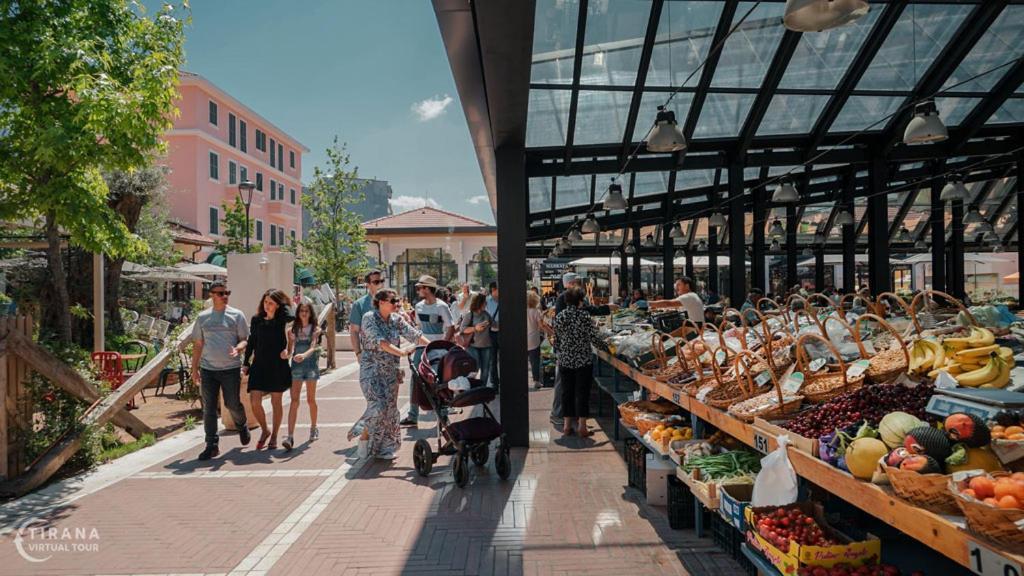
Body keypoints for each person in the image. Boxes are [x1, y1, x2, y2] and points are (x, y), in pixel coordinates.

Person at [348, 289, 428, 460]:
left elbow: (415, 335)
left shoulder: (396, 319)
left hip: (391, 371)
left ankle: (385, 448)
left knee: (390, 410)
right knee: (378, 407)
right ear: (381, 302)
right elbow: (381, 342)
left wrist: (436, 347)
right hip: (372, 370)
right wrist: (401, 352)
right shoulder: (369, 317)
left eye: (397, 300)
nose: (397, 304)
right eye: (393, 301)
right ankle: (363, 433)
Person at [191, 282, 251, 460]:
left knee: (232, 404)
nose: (225, 296)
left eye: (227, 293)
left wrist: (238, 349)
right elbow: (198, 344)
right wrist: (194, 369)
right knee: (209, 408)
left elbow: (244, 339)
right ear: (211, 295)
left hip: (230, 368)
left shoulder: (236, 315)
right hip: (208, 369)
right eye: (220, 293)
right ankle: (212, 445)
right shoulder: (203, 318)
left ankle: (242, 424)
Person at [400, 275, 454, 427]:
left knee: (438, 380)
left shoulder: (442, 306)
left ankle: (442, 414)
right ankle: (412, 415)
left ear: (428, 288)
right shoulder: (418, 306)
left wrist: (445, 344)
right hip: (421, 347)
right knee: (416, 378)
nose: (418, 290)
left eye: (420, 287)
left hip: (437, 349)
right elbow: (419, 328)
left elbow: (451, 326)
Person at [244, 289, 294, 450]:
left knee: (276, 402)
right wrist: (246, 362)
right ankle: (265, 429)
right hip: (259, 365)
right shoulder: (257, 319)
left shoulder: (281, 320)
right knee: (254, 402)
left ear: (278, 305)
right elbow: (251, 342)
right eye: (265, 302)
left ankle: (274, 436)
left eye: (271, 303)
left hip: (277, 366)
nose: (267, 305)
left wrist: (282, 304)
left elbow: (291, 315)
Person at [552, 287, 601, 437]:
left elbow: (556, 339)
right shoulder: (585, 316)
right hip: (583, 360)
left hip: (565, 360)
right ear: (580, 300)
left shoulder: (560, 317)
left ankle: (567, 426)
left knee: (567, 392)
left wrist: (563, 350)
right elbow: (594, 338)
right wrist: (606, 347)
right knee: (582, 392)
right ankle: (582, 427)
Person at [283, 302, 322, 450]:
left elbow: (313, 347)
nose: (304, 313)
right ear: (298, 313)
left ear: (310, 313)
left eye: (306, 311)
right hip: (297, 367)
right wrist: (286, 354)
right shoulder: (292, 330)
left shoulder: (315, 329)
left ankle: (313, 427)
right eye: (301, 311)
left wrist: (304, 355)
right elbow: (289, 349)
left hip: (310, 366)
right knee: (294, 400)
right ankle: (290, 436)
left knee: (311, 399)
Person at [349, 270, 384, 363]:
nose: (380, 285)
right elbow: (354, 331)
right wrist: (358, 353)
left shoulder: (390, 302)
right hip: (370, 356)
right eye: (376, 282)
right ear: (368, 285)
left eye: (382, 281)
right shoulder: (359, 305)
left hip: (391, 354)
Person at [459, 293, 493, 384]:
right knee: (475, 368)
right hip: (473, 345)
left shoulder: (486, 314)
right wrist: (475, 328)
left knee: (485, 369)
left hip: (486, 345)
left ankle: (482, 388)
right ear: (479, 303)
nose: (486, 304)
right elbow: (462, 329)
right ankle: (473, 387)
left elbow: (493, 324)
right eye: (484, 302)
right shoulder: (470, 315)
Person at [527, 290, 548, 389]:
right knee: (535, 361)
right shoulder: (535, 311)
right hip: (534, 340)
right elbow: (541, 326)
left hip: (523, 339)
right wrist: (551, 332)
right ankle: (536, 381)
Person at [486, 282, 500, 388]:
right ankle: (494, 383)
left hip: (504, 333)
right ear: (493, 290)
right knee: (492, 359)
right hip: (490, 333)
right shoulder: (486, 301)